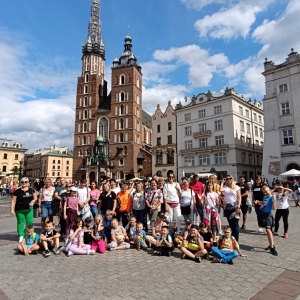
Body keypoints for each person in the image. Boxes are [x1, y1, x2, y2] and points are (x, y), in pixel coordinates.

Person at [11, 177, 37, 243]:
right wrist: (12, 209)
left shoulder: (31, 190)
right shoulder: (17, 191)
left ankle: (28, 235)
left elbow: (35, 197)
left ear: (28, 182)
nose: (24, 183)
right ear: (20, 182)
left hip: (29, 209)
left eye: (25, 182)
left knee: (29, 223)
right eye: (22, 182)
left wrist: (33, 200)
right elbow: (13, 201)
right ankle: (21, 235)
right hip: (19, 209)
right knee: (20, 223)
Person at [220, 175, 241, 241]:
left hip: (234, 207)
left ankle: (236, 239)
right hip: (227, 207)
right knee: (230, 224)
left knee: (235, 224)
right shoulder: (225, 187)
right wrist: (222, 182)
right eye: (227, 179)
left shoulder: (236, 187)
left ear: (232, 179)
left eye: (230, 178)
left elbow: (239, 197)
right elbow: (220, 190)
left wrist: (238, 206)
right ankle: (232, 239)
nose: (228, 180)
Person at [259, 185, 278, 256]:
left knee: (268, 230)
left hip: (268, 215)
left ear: (269, 190)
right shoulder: (265, 197)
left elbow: (274, 208)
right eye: (264, 192)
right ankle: (271, 244)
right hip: (263, 214)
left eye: (266, 191)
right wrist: (260, 203)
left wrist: (274, 199)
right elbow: (264, 205)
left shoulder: (271, 197)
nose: (265, 193)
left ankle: (272, 248)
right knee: (269, 231)